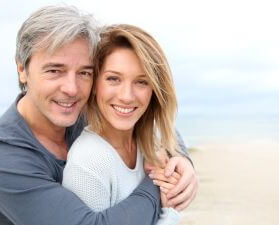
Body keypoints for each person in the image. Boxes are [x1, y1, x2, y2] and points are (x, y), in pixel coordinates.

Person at [0, 4, 197, 225]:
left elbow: (150, 122)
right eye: (54, 71)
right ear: (22, 69)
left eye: (84, 72)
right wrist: (159, 182)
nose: (72, 88)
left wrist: (181, 159)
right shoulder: (0, 158)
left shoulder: (80, 109)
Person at [62, 24, 187, 225]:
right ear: (95, 85)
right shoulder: (88, 162)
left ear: (154, 90)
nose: (126, 96)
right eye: (113, 79)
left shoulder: (153, 142)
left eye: (141, 82)